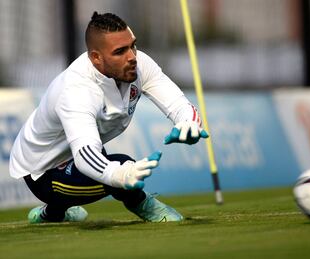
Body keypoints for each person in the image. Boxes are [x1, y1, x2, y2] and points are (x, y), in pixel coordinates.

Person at [9, 12, 208, 224]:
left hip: (74, 151)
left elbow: (177, 103)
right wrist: (120, 175)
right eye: (120, 52)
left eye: (133, 46)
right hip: (42, 170)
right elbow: (86, 157)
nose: (131, 56)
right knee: (122, 164)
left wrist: (189, 121)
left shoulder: (139, 64)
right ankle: (143, 205)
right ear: (96, 58)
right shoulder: (76, 91)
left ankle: (52, 214)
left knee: (107, 162)